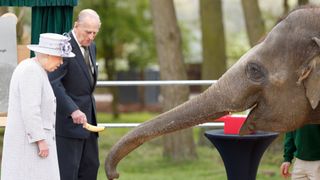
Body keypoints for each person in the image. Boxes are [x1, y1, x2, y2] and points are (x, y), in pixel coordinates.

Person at [1, 33, 75, 180]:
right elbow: (31, 109)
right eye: (59, 57)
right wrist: (40, 140)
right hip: (28, 146)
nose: (61, 62)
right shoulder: (31, 70)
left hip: (31, 143)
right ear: (47, 54)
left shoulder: (35, 68)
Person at [48, 9, 101, 180]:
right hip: (68, 123)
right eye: (88, 32)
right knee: (69, 172)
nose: (91, 37)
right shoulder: (63, 46)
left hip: (89, 122)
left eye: (95, 32)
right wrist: (73, 110)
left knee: (91, 168)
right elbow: (54, 83)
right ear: (76, 26)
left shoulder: (92, 46)